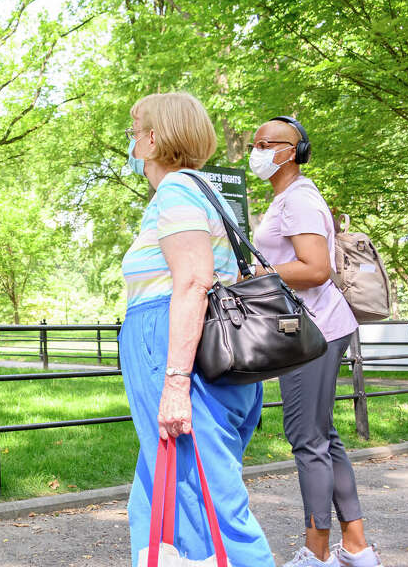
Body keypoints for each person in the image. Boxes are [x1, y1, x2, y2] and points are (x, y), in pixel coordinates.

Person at [120, 92, 273, 567]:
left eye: (134, 126)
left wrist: (175, 382)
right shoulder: (202, 191)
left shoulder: (178, 191)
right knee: (158, 499)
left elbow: (192, 281)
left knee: (212, 505)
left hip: (178, 349)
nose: (129, 136)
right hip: (186, 347)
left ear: (152, 138)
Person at [249, 117, 380, 567]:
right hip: (310, 328)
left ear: (295, 150)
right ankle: (358, 549)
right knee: (325, 437)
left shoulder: (300, 199)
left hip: (313, 330)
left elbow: (315, 268)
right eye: (256, 143)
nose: (259, 150)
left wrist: (258, 275)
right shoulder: (285, 199)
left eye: (269, 143)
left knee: (306, 440)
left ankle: (317, 553)